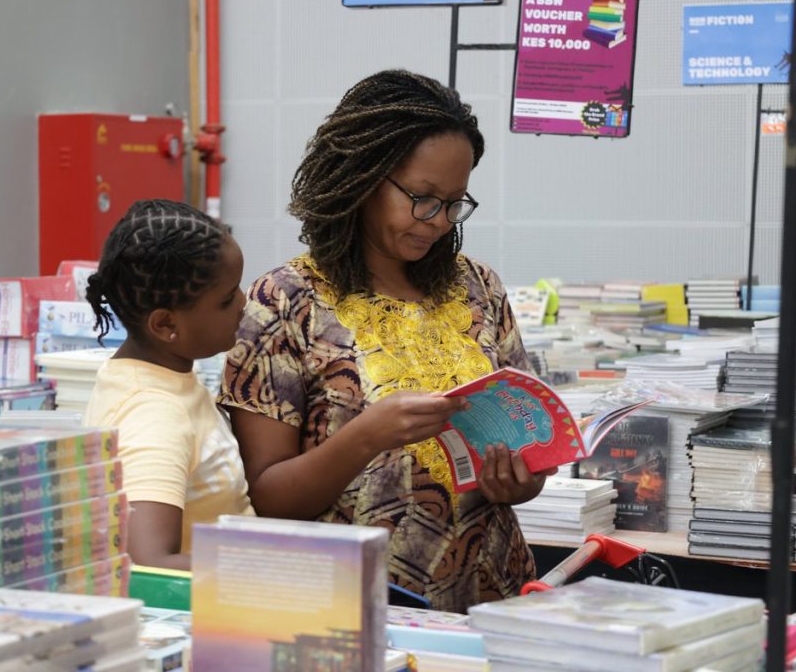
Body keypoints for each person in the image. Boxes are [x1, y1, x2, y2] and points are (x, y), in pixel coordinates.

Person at [219, 70, 553, 612]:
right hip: (355, 608)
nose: (440, 221)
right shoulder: (284, 301)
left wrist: (518, 482)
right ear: (363, 178)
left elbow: (531, 447)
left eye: (454, 202)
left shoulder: (478, 287)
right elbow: (267, 499)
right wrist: (365, 436)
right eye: (422, 198)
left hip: (491, 600)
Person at [83, 199, 255, 570]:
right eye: (227, 300)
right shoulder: (154, 413)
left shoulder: (160, 378)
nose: (244, 303)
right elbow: (148, 562)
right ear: (165, 325)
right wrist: (283, 568)